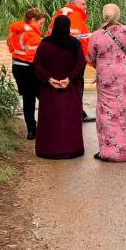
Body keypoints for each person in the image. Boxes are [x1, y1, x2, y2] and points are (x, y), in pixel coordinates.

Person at [88, 4, 126, 162]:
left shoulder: (96, 35)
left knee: (108, 113)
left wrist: (102, 67)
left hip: (106, 78)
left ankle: (110, 151)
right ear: (118, 15)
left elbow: (90, 57)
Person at [33, 15, 87, 159]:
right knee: (69, 120)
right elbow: (81, 63)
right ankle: (71, 149)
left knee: (51, 120)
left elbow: (37, 64)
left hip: (50, 90)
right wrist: (69, 79)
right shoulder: (75, 44)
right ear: (68, 27)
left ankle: (49, 150)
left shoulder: (45, 44)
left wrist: (49, 79)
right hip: (70, 90)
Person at [48, 0, 94, 122]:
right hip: (74, 58)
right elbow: (79, 40)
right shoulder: (76, 15)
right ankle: (76, 114)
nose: (85, 6)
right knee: (78, 86)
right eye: (83, 4)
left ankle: (75, 112)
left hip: (58, 57)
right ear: (75, 4)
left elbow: (50, 33)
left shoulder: (61, 12)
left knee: (65, 85)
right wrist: (88, 58)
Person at [7, 8, 45, 140]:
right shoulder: (32, 34)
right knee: (45, 97)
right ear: (33, 20)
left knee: (28, 100)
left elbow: (10, 48)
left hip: (17, 68)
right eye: (41, 23)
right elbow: (34, 58)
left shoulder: (15, 30)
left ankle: (31, 130)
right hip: (30, 69)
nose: (42, 26)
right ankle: (47, 126)